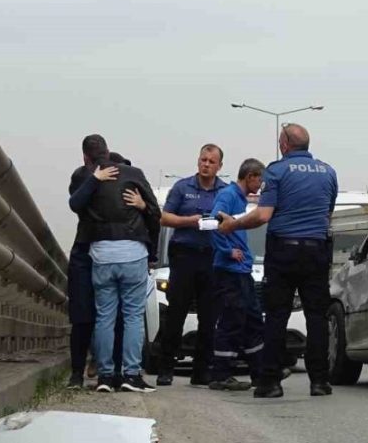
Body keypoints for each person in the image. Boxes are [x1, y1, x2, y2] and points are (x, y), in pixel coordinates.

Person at [219, 124, 337, 399]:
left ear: (284, 144)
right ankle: (319, 381)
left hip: (283, 250)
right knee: (316, 317)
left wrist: (233, 225)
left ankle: (270, 382)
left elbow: (263, 215)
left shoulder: (277, 170)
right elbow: (326, 213)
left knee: (276, 316)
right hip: (317, 249)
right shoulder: (328, 172)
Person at [70, 134, 161, 393]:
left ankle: (105, 376)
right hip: (133, 252)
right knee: (132, 316)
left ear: (85, 156)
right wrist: (143, 208)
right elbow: (156, 214)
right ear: (108, 152)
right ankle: (131, 375)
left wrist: (94, 179)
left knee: (104, 317)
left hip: (101, 254)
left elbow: (75, 204)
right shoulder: (133, 174)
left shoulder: (87, 177)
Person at [156, 144, 227, 387]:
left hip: (212, 258)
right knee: (176, 313)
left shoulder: (225, 191)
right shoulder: (182, 187)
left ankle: (201, 371)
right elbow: (164, 217)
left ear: (219, 166)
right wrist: (189, 221)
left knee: (209, 317)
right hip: (185, 256)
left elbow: (235, 222)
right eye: (203, 160)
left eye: (211, 161)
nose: (206, 164)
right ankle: (166, 368)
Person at [65, 148, 131, 387]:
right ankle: (76, 373)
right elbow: (76, 203)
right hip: (86, 251)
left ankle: (111, 371)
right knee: (83, 316)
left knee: (116, 316)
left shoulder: (122, 176)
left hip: (112, 251)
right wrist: (95, 179)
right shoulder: (82, 177)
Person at [207, 159, 267, 391]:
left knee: (252, 319)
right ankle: (220, 374)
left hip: (242, 271)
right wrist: (227, 250)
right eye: (260, 179)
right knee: (232, 320)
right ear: (250, 176)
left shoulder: (239, 198)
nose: (261, 185)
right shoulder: (229, 195)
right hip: (230, 271)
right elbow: (213, 223)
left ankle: (261, 372)